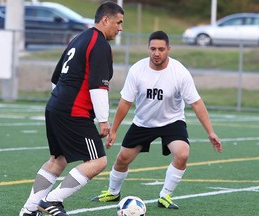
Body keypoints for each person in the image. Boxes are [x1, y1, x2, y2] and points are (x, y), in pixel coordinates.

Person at [92, 31, 222, 209]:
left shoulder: (180, 72)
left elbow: (196, 103)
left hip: (172, 122)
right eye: (153, 48)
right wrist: (114, 129)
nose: (157, 53)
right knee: (122, 159)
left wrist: (210, 132)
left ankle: (165, 195)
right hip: (143, 122)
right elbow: (125, 102)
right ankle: (113, 193)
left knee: (182, 154)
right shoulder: (137, 69)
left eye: (161, 49)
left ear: (169, 49)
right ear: (148, 49)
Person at [19, 2, 124, 216]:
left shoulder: (78, 39)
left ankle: (28, 211)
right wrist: (103, 121)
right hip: (73, 110)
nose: (120, 28)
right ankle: (52, 201)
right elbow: (98, 85)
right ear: (105, 20)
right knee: (98, 161)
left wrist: (60, 101)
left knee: (58, 160)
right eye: (118, 22)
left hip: (55, 105)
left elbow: (56, 78)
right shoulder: (100, 44)